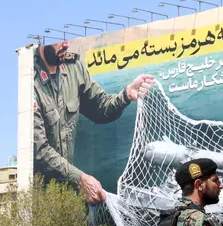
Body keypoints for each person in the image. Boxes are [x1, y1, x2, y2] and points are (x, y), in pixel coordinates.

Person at [33, 39, 154, 204]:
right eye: (60, 40)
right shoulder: (29, 79)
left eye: (67, 39)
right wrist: (80, 179)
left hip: (69, 193)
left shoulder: (74, 68)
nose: (66, 45)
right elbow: (40, 150)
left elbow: (101, 109)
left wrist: (126, 95)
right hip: (39, 198)